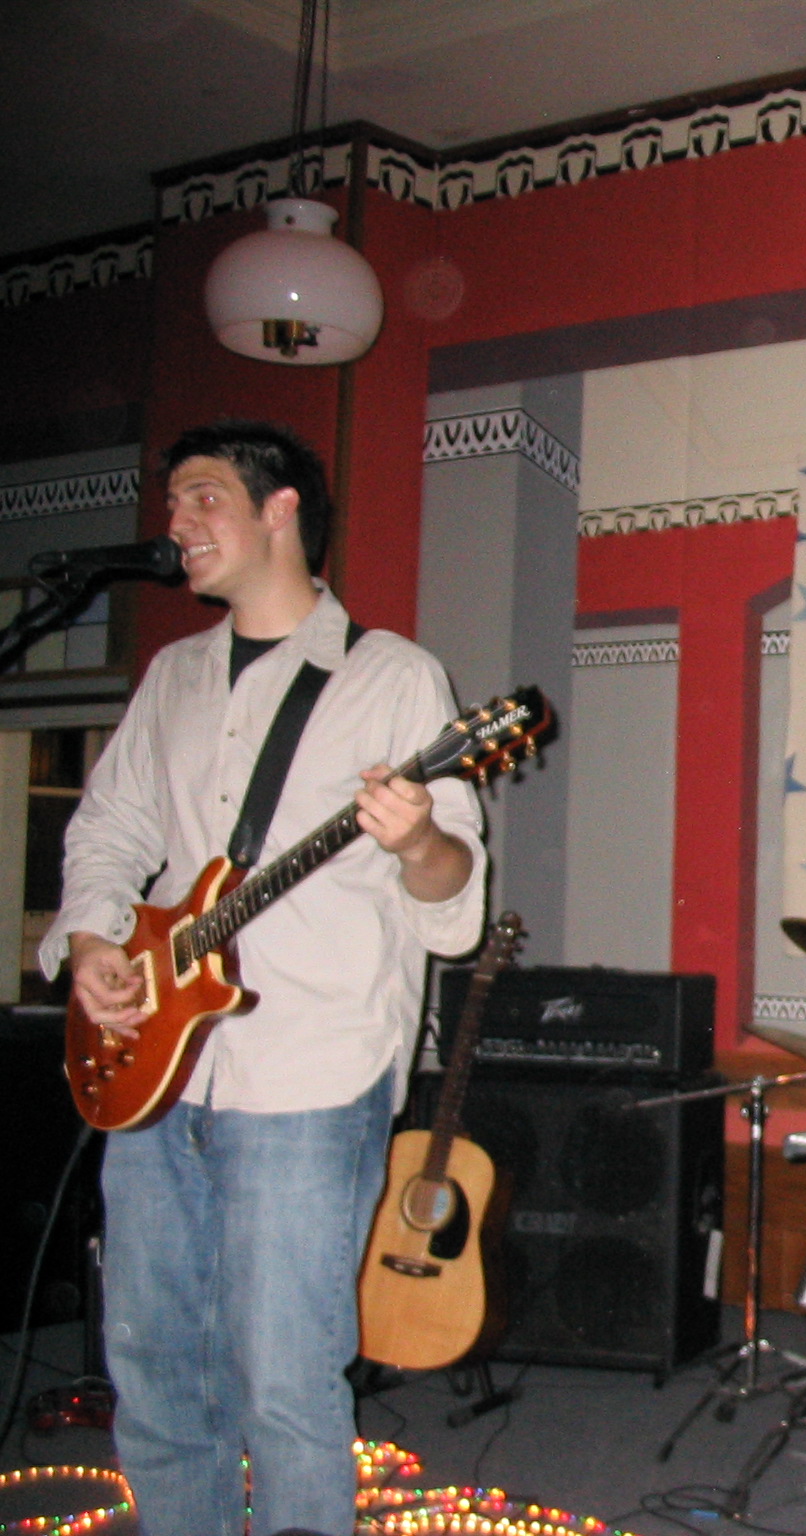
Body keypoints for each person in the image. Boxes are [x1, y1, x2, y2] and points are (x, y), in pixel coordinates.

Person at [43, 421, 488, 1536]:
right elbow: (108, 831)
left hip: (308, 1074)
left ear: (280, 508)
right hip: (154, 1075)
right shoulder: (173, 677)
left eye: (202, 498)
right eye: (173, 503)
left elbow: (453, 901)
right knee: (155, 1372)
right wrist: (93, 943)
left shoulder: (393, 677)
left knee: (285, 1383)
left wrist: (417, 838)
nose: (177, 524)